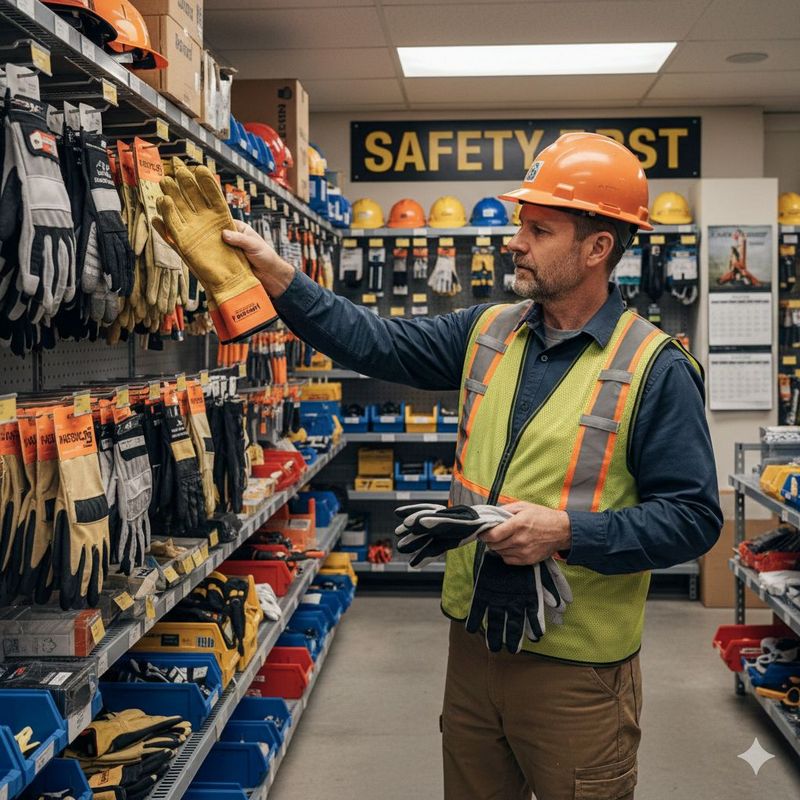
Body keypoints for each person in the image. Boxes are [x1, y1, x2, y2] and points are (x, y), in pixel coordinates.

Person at [221, 132, 722, 800]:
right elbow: (379, 342)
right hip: (475, 643)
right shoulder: (490, 329)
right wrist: (280, 276)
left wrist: (566, 532)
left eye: (540, 229)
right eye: (521, 225)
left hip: (576, 671)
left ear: (598, 248)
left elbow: (693, 519)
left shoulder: (655, 368)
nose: (516, 242)